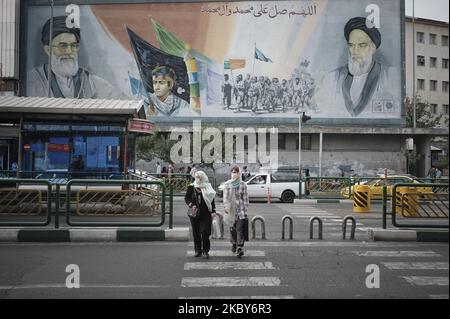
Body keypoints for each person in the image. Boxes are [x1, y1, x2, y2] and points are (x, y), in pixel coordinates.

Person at [316, 16, 398, 118]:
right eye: (351, 45)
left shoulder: (390, 76)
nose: (355, 51)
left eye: (362, 45)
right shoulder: (332, 79)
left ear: (373, 48)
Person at [27, 16, 115, 99]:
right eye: (63, 46)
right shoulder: (31, 81)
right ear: (48, 50)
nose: (69, 52)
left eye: (73, 46)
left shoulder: (95, 83)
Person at [185, 171, 217, 258]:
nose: (197, 179)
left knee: (205, 232)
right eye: (196, 177)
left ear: (203, 177)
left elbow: (211, 200)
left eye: (199, 177)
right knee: (196, 232)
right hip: (194, 213)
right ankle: (197, 250)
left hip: (205, 212)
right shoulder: (191, 187)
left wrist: (213, 210)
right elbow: (187, 198)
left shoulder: (208, 187)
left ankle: (205, 251)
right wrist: (191, 204)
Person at [223, 166, 249, 258]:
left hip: (240, 210)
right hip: (230, 210)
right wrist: (225, 207)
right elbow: (225, 198)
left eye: (236, 172)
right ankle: (234, 243)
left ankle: (240, 247)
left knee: (239, 229)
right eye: (233, 172)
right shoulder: (227, 184)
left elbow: (245, 199)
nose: (234, 174)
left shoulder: (243, 185)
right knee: (232, 229)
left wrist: (245, 210)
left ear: (239, 173)